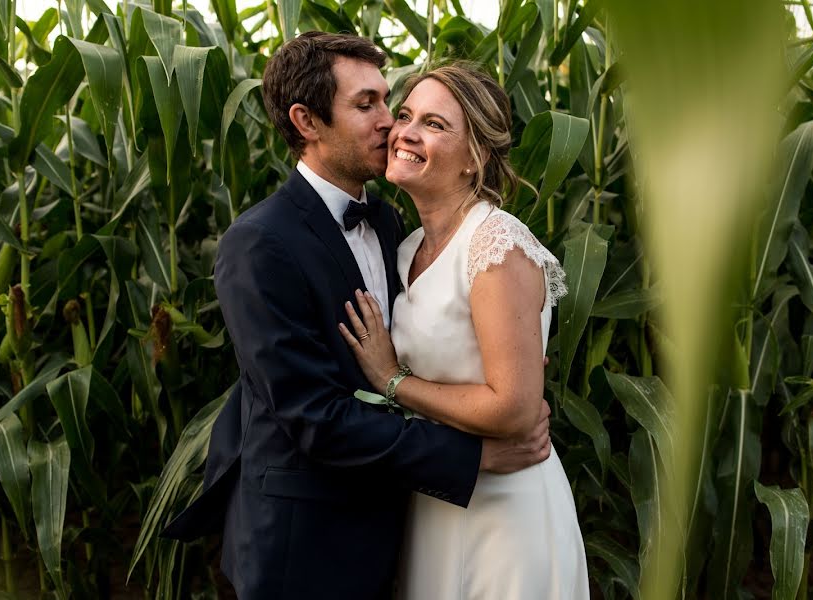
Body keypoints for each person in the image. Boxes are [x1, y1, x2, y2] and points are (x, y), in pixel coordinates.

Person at [160, 32, 554, 599]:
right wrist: (473, 455)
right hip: (306, 542)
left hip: (408, 524)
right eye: (366, 104)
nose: (389, 123)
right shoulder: (260, 244)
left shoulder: (398, 230)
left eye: (386, 100)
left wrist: (520, 388)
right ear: (306, 120)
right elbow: (312, 415)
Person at [338, 63, 590, 599]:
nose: (404, 132)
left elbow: (516, 408)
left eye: (434, 124)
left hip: (504, 517)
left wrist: (393, 381)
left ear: (474, 158)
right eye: (404, 115)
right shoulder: (406, 250)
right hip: (437, 499)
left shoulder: (494, 246)